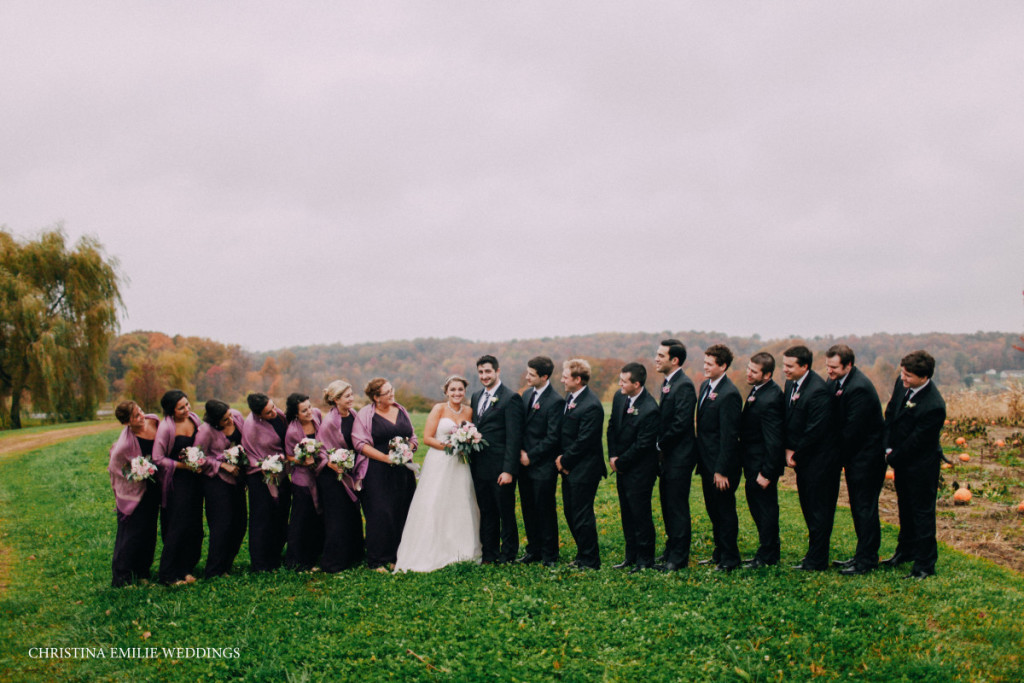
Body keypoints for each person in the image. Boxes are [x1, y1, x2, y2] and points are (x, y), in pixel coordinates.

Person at [395, 375, 482, 572]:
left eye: (460, 389)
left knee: (461, 502)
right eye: (453, 390)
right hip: (440, 461)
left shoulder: (469, 411)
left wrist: (466, 443)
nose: (457, 393)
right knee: (435, 501)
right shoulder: (438, 409)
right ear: (446, 392)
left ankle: (462, 548)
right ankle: (431, 548)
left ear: (464, 391)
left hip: (460, 463)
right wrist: (450, 446)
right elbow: (427, 438)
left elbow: (471, 435)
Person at [882, 350, 946, 579]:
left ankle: (925, 564)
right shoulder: (902, 386)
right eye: (903, 373)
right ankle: (905, 551)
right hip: (900, 459)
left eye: (908, 376)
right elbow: (890, 414)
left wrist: (893, 456)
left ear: (924, 377)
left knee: (922, 513)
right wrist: (887, 445)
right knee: (905, 508)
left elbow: (917, 442)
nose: (903, 378)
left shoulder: (934, 405)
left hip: (921, 466)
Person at [825, 345, 885, 576]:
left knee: (865, 509)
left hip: (867, 459)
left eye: (834, 367)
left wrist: (832, 458)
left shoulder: (859, 388)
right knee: (858, 508)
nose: (829, 371)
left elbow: (852, 432)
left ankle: (867, 560)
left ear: (848, 365)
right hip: (854, 458)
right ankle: (862, 554)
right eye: (828, 366)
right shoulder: (837, 381)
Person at [352, 378, 418, 570]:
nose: (392, 394)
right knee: (381, 513)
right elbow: (360, 444)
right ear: (376, 397)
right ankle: (377, 559)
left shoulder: (401, 409)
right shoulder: (366, 415)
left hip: (402, 471)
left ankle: (397, 555)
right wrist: (386, 458)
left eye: (392, 390)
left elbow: (413, 436)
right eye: (387, 392)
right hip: (377, 470)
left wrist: (409, 448)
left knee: (401, 510)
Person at [782, 345, 835, 571]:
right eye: (784, 365)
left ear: (804, 366)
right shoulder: (790, 384)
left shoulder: (817, 391)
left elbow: (815, 430)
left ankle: (818, 559)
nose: (785, 370)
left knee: (818, 510)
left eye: (790, 366)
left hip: (819, 461)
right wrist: (786, 448)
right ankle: (812, 554)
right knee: (807, 506)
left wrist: (796, 453)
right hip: (801, 459)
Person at [469, 355, 524, 564]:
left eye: (488, 372)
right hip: (480, 466)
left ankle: (508, 554)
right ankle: (489, 553)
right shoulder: (475, 396)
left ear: (497, 372)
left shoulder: (510, 398)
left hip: (501, 468)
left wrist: (509, 470)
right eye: (481, 372)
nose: (484, 376)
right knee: (486, 511)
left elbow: (514, 437)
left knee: (505, 513)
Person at [607, 362, 660, 573]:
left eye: (624, 381)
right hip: (621, 465)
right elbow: (611, 427)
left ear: (636, 384)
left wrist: (621, 462)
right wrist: (613, 456)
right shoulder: (620, 397)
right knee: (626, 513)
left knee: (640, 514)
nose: (619, 384)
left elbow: (643, 444)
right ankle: (630, 556)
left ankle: (645, 559)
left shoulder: (650, 408)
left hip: (640, 470)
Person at [695, 344, 743, 572]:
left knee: (724, 511)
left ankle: (730, 557)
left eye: (710, 364)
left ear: (723, 366)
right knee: (713, 510)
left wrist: (721, 469)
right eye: (704, 362)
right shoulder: (706, 386)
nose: (705, 367)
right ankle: (719, 551)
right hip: (706, 463)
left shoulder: (730, 394)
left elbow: (729, 436)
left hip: (722, 467)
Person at [556, 358, 606, 570]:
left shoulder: (591, 405)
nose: (562, 380)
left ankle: (590, 559)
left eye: (565, 377)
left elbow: (585, 440)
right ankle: (582, 553)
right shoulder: (571, 398)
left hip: (585, 469)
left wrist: (564, 460)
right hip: (570, 468)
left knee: (582, 514)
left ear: (577, 379)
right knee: (571, 512)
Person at [151, 390, 205, 585]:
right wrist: (184, 466)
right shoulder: (166, 427)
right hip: (176, 482)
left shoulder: (194, 419)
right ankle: (168, 574)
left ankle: (186, 568)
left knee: (194, 527)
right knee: (178, 526)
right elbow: (158, 458)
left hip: (195, 480)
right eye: (181, 407)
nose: (186, 409)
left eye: (187, 404)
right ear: (171, 410)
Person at [653, 339, 697, 572]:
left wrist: (659, 444)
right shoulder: (669, 383)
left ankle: (678, 559)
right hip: (668, 457)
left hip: (679, 457)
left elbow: (680, 423)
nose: (656, 358)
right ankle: (671, 549)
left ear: (675, 360)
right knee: (668, 505)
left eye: (661, 355)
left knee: (677, 507)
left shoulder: (684, 385)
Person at [738, 352, 786, 568]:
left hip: (762, 467)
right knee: (758, 509)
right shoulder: (758, 390)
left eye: (754, 371)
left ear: (767, 375)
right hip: (752, 462)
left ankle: (768, 555)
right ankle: (767, 551)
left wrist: (767, 472)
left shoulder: (771, 397)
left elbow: (774, 441)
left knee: (766, 511)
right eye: (748, 368)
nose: (748, 373)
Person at [517, 356, 564, 567]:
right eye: (527, 373)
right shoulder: (526, 395)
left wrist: (531, 456)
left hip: (543, 466)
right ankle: (533, 550)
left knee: (544, 509)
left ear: (544, 376)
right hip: (523, 464)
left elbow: (553, 437)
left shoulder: (555, 401)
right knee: (528, 508)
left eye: (532, 375)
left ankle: (550, 554)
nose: (527, 377)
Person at [108, 401, 161, 587]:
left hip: (154, 487)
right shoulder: (125, 444)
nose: (142, 417)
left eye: (141, 411)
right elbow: (115, 468)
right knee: (132, 534)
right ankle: (121, 577)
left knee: (149, 531)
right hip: (137, 491)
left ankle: (142, 572)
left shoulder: (154, 422)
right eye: (137, 416)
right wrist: (137, 472)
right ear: (127, 423)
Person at [317, 380, 366, 572]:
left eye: (352, 394)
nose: (352, 398)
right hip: (333, 477)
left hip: (349, 472)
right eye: (347, 396)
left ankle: (354, 554)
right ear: (336, 400)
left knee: (352, 514)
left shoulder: (352, 414)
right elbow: (322, 449)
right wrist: (331, 462)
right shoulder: (330, 422)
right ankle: (333, 561)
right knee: (337, 518)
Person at [195, 399, 247, 578]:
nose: (230, 420)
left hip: (237, 480)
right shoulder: (205, 432)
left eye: (230, 415)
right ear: (215, 421)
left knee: (240, 524)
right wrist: (222, 465)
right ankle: (215, 569)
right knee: (222, 525)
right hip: (216, 483)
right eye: (225, 419)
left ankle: (227, 564)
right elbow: (197, 456)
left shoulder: (237, 418)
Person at [242, 392, 292, 572]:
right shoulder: (251, 428)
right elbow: (252, 455)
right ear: (258, 415)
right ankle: (261, 562)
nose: (274, 413)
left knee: (280, 514)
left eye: (273, 407)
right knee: (263, 519)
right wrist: (267, 464)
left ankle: (275, 554)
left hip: (281, 473)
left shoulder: (278, 415)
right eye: (268, 413)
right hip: (260, 477)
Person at [284, 392, 325, 571]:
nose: (309, 412)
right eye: (304, 410)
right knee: (301, 518)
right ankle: (297, 560)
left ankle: (315, 554)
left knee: (317, 517)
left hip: (319, 473)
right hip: (302, 478)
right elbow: (289, 456)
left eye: (309, 407)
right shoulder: (292, 431)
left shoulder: (317, 416)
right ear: (295, 414)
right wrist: (302, 460)